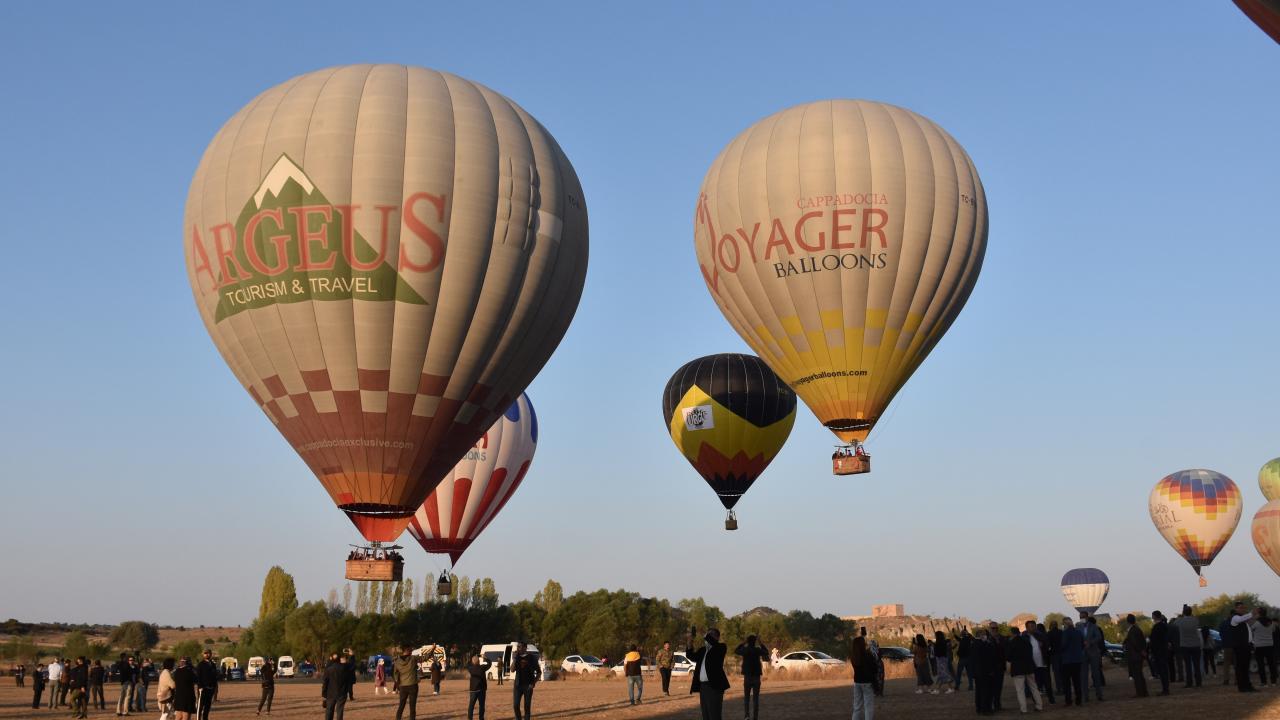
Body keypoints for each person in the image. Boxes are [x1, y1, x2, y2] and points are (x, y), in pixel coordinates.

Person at [687, 626, 729, 720]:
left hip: (714, 687)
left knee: (714, 715)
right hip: (703, 687)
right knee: (705, 714)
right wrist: (690, 641)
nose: (707, 637)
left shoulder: (720, 648)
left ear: (717, 637)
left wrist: (703, 632)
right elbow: (691, 656)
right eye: (708, 634)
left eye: (710, 634)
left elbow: (713, 643)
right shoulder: (703, 650)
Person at [1008, 626, 1044, 713]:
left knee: (1020, 690)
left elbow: (1008, 657)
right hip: (1029, 667)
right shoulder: (1026, 641)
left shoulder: (1011, 643)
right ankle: (1039, 705)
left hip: (1017, 669)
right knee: (1034, 687)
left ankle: (1023, 709)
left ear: (1012, 633)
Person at [735, 635, 767, 719]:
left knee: (747, 698)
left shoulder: (745, 650)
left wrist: (743, 643)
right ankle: (755, 717)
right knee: (755, 699)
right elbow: (766, 652)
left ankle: (747, 716)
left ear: (747, 641)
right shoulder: (757, 650)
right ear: (755, 642)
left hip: (747, 677)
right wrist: (760, 643)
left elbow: (736, 650)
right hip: (756, 677)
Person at [1171, 604, 1203, 688]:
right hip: (1196, 644)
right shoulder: (1195, 620)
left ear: (1183, 612)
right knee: (1196, 665)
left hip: (1185, 645)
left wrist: (1181, 616)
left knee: (1187, 665)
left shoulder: (1179, 621)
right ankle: (1198, 682)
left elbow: (1174, 623)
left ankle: (1189, 682)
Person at [1231, 600, 1258, 692]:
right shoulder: (1235, 618)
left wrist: (1252, 643)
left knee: (1245, 667)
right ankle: (1242, 687)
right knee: (1241, 667)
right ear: (1236, 609)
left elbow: (1248, 633)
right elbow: (1240, 619)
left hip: (1246, 646)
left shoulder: (1243, 620)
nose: (1242, 609)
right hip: (1240, 647)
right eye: (1240, 608)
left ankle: (1248, 686)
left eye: (1243, 608)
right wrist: (1251, 614)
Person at [848, 635, 876, 720]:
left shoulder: (854, 657)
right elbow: (874, 668)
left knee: (857, 707)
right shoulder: (867, 655)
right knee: (868, 706)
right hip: (867, 683)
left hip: (857, 682)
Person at [511, 642, 541, 720]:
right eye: (517, 647)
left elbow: (539, 672)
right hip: (517, 685)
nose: (517, 648)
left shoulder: (532, 658)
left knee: (527, 707)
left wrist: (533, 683)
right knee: (515, 705)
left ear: (525, 648)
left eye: (519, 647)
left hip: (528, 686)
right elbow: (512, 670)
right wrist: (514, 659)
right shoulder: (517, 657)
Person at [1122, 614, 1149, 697]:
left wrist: (1140, 651)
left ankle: (1140, 692)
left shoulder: (1133, 631)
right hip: (1137, 655)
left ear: (1127, 622)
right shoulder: (1137, 629)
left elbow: (1135, 643)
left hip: (1134, 655)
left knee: (1137, 675)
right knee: (1139, 674)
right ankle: (1143, 691)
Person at [1058, 618, 1084, 706]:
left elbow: (1063, 645)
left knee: (1067, 682)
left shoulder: (1065, 633)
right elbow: (1082, 644)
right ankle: (1079, 700)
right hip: (1077, 659)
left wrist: (1060, 651)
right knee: (1077, 681)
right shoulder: (1078, 632)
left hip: (1067, 660)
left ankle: (1068, 701)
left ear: (1065, 624)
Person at [1080, 614, 1105, 702]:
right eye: (1080, 617)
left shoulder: (1094, 627)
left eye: (1083, 617)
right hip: (1083, 654)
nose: (1081, 619)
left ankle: (1099, 694)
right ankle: (1086, 696)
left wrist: (1090, 642)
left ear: (1087, 617)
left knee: (1096, 674)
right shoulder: (1079, 627)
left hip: (1093, 652)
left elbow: (1099, 637)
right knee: (1083, 676)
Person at [1251, 607, 1276, 687]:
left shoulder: (1256, 623)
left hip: (1259, 646)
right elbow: (1273, 630)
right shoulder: (1271, 622)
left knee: (1261, 664)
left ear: (1259, 614)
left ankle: (1264, 682)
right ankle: (1273, 682)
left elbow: (1251, 629)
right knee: (1271, 664)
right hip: (1270, 645)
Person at [393, 645, 420, 720]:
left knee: (401, 704)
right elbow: (425, 657)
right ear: (409, 652)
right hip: (413, 685)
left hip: (403, 686)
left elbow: (395, 674)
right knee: (412, 705)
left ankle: (398, 718)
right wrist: (433, 649)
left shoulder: (397, 661)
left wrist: (397, 683)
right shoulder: (413, 658)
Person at [1149, 610, 1172, 695]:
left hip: (1158, 652)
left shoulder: (1156, 627)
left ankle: (1165, 689)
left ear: (1155, 617)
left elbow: (1154, 641)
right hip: (1164, 650)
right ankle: (1166, 688)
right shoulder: (1164, 626)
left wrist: (1151, 650)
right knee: (1164, 670)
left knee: (1162, 671)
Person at [322, 654, 349, 720]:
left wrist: (324, 694)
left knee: (329, 710)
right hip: (342, 693)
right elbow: (348, 680)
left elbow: (325, 682)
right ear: (339, 659)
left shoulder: (328, 669)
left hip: (330, 693)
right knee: (340, 711)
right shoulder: (345, 668)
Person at [194, 649, 219, 720]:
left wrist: (214, 687)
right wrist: (200, 687)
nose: (207, 654)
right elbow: (198, 677)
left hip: (210, 689)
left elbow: (215, 676)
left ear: (211, 654)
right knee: (200, 706)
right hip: (203, 689)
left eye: (208, 653)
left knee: (207, 707)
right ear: (203, 654)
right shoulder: (200, 664)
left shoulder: (213, 664)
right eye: (205, 653)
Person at [467, 655, 490, 720]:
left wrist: (472, 659)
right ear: (479, 661)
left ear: (472, 662)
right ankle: (481, 718)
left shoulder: (470, 668)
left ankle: (470, 718)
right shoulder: (482, 667)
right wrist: (485, 658)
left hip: (473, 689)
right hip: (481, 689)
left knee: (471, 705)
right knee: (481, 705)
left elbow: (468, 664)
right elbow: (489, 664)